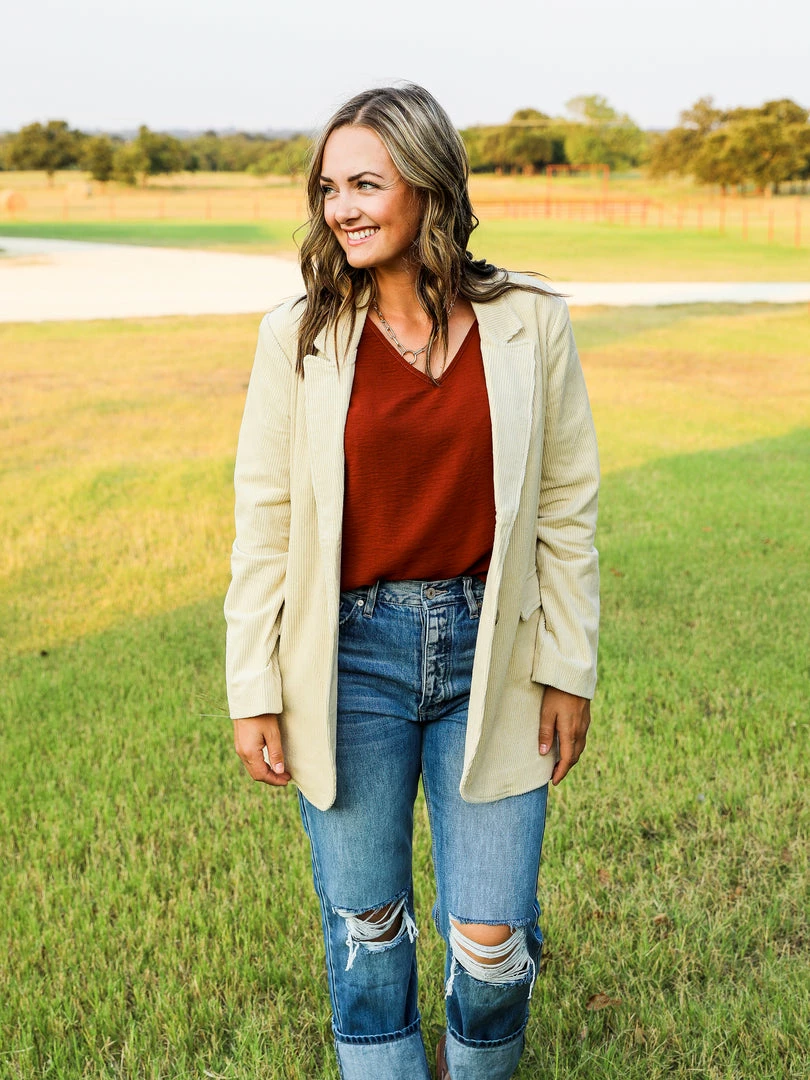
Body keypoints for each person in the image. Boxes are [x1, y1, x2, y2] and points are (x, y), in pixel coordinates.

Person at [225, 83, 599, 1080]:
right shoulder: (297, 337)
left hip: (494, 652)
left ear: (428, 185)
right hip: (347, 660)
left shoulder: (530, 323)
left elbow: (565, 508)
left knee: (493, 939)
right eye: (328, 188)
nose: (340, 208)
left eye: (365, 184)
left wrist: (568, 669)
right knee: (367, 928)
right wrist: (253, 687)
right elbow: (265, 522)